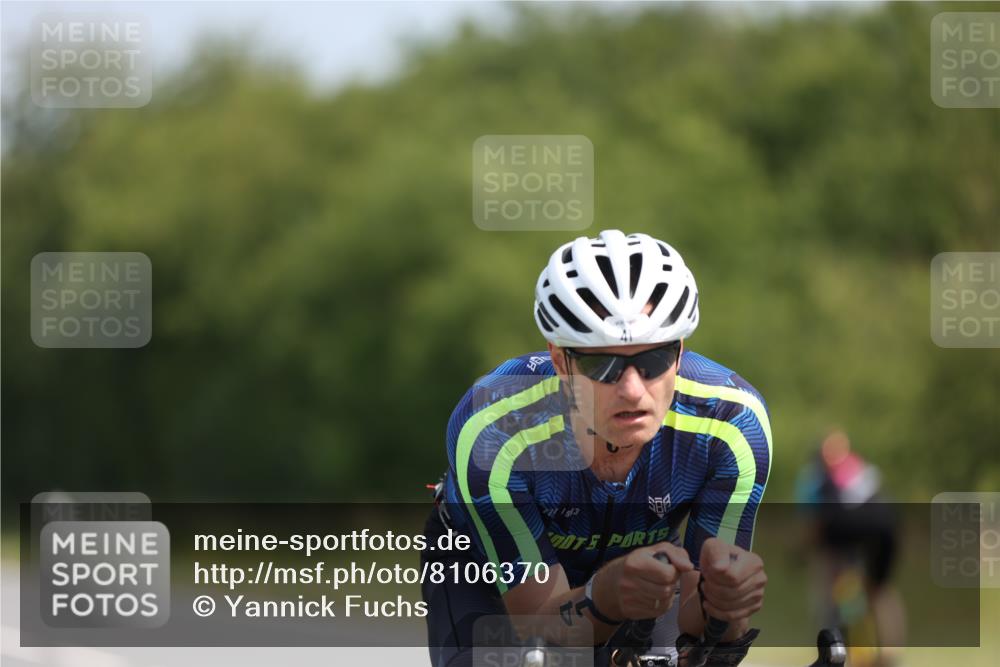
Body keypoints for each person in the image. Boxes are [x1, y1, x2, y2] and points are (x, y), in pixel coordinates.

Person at [421, 230, 773, 666]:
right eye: (599, 364)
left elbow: (700, 629)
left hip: (638, 562)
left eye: (654, 360)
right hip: (492, 571)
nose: (631, 390)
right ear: (559, 360)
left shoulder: (731, 426)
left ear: (679, 353)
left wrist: (727, 607)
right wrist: (603, 595)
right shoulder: (495, 429)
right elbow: (539, 626)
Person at [795, 430, 905, 667]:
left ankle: (838, 648)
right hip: (884, 531)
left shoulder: (817, 478)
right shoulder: (864, 469)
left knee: (833, 589)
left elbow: (816, 524)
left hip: (847, 536)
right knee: (878, 591)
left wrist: (801, 553)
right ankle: (885, 656)